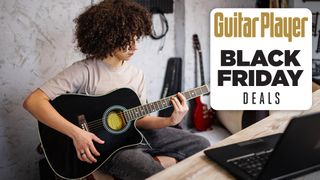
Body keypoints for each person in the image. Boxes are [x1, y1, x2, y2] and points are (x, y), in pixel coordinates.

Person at [23, 0, 210, 179]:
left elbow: (139, 119)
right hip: (105, 148)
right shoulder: (84, 70)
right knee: (152, 171)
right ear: (109, 37)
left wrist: (170, 120)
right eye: (127, 40)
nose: (135, 46)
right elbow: (33, 101)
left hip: (134, 134)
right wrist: (77, 133)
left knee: (202, 144)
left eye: (137, 37)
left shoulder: (136, 74)